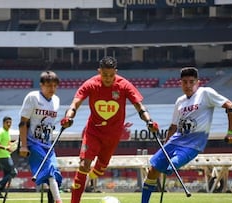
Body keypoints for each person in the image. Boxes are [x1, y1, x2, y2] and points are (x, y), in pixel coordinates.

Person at [60, 56, 159, 203]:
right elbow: (75, 104)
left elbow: (140, 107)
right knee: (84, 165)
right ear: (99, 71)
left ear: (116, 72)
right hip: (93, 132)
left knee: (99, 169)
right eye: (104, 75)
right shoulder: (91, 84)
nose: (108, 78)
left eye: (111, 75)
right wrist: (68, 118)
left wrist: (149, 121)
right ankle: (75, 199)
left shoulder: (124, 85)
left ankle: (90, 177)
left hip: (113, 135)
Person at [140, 67, 232, 203]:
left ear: (198, 82)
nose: (188, 85)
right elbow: (173, 126)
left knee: (171, 166)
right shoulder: (180, 101)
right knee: (152, 170)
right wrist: (165, 145)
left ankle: (169, 167)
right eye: (184, 82)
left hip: (193, 144)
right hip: (174, 141)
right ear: (180, 83)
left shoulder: (206, 93)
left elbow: (231, 107)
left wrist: (231, 132)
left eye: (191, 82)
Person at [18, 70, 63, 203]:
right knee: (49, 170)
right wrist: (24, 145)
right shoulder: (33, 97)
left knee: (55, 173)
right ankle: (59, 200)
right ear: (41, 85)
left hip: (48, 144)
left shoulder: (56, 100)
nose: (52, 89)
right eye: (49, 85)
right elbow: (23, 122)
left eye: (55, 86)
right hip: (33, 142)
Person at [0, 116, 18, 198]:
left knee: (7, 174)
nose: (9, 124)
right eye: (7, 122)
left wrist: (14, 144)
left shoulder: (7, 133)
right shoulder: (1, 132)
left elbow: (8, 145)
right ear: (3, 123)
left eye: (10, 122)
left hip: (6, 155)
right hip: (3, 156)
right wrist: (5, 147)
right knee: (14, 172)